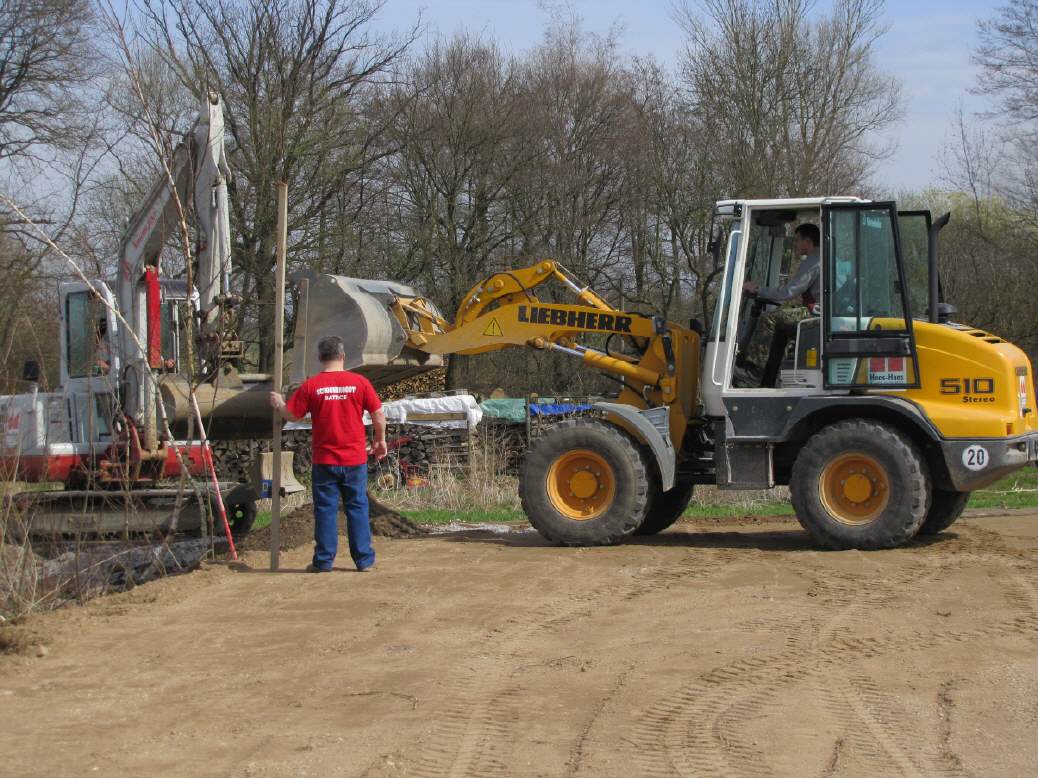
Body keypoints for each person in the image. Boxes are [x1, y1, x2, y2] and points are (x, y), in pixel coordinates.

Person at [269, 335, 388, 573]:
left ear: (320, 358)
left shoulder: (311, 386)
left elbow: (292, 415)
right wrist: (380, 440)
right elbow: (378, 414)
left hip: (325, 460)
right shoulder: (360, 382)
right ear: (343, 356)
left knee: (325, 509)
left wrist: (279, 403)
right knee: (357, 507)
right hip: (354, 459)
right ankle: (363, 560)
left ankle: (323, 562)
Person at [742, 223, 821, 387]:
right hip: (817, 312)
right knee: (782, 326)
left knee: (769, 319)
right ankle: (770, 379)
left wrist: (758, 290)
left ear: (808, 241)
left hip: (815, 314)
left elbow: (788, 293)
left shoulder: (814, 261)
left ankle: (753, 372)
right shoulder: (820, 258)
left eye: (798, 240)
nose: (796, 244)